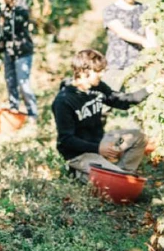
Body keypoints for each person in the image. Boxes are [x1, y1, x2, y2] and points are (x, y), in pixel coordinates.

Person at [52, 49, 149, 181]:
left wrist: (151, 89)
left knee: (139, 137)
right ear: (83, 72)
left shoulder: (97, 87)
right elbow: (66, 140)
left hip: (100, 142)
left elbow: (123, 101)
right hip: (79, 154)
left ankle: (122, 174)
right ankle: (81, 173)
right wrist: (97, 148)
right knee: (121, 183)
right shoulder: (63, 101)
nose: (103, 74)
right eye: (98, 71)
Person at [102, 0, 156, 91]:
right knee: (107, 104)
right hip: (115, 66)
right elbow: (121, 32)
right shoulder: (110, 11)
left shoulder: (144, 9)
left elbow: (150, 32)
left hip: (139, 66)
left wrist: (154, 52)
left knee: (138, 102)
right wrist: (143, 41)